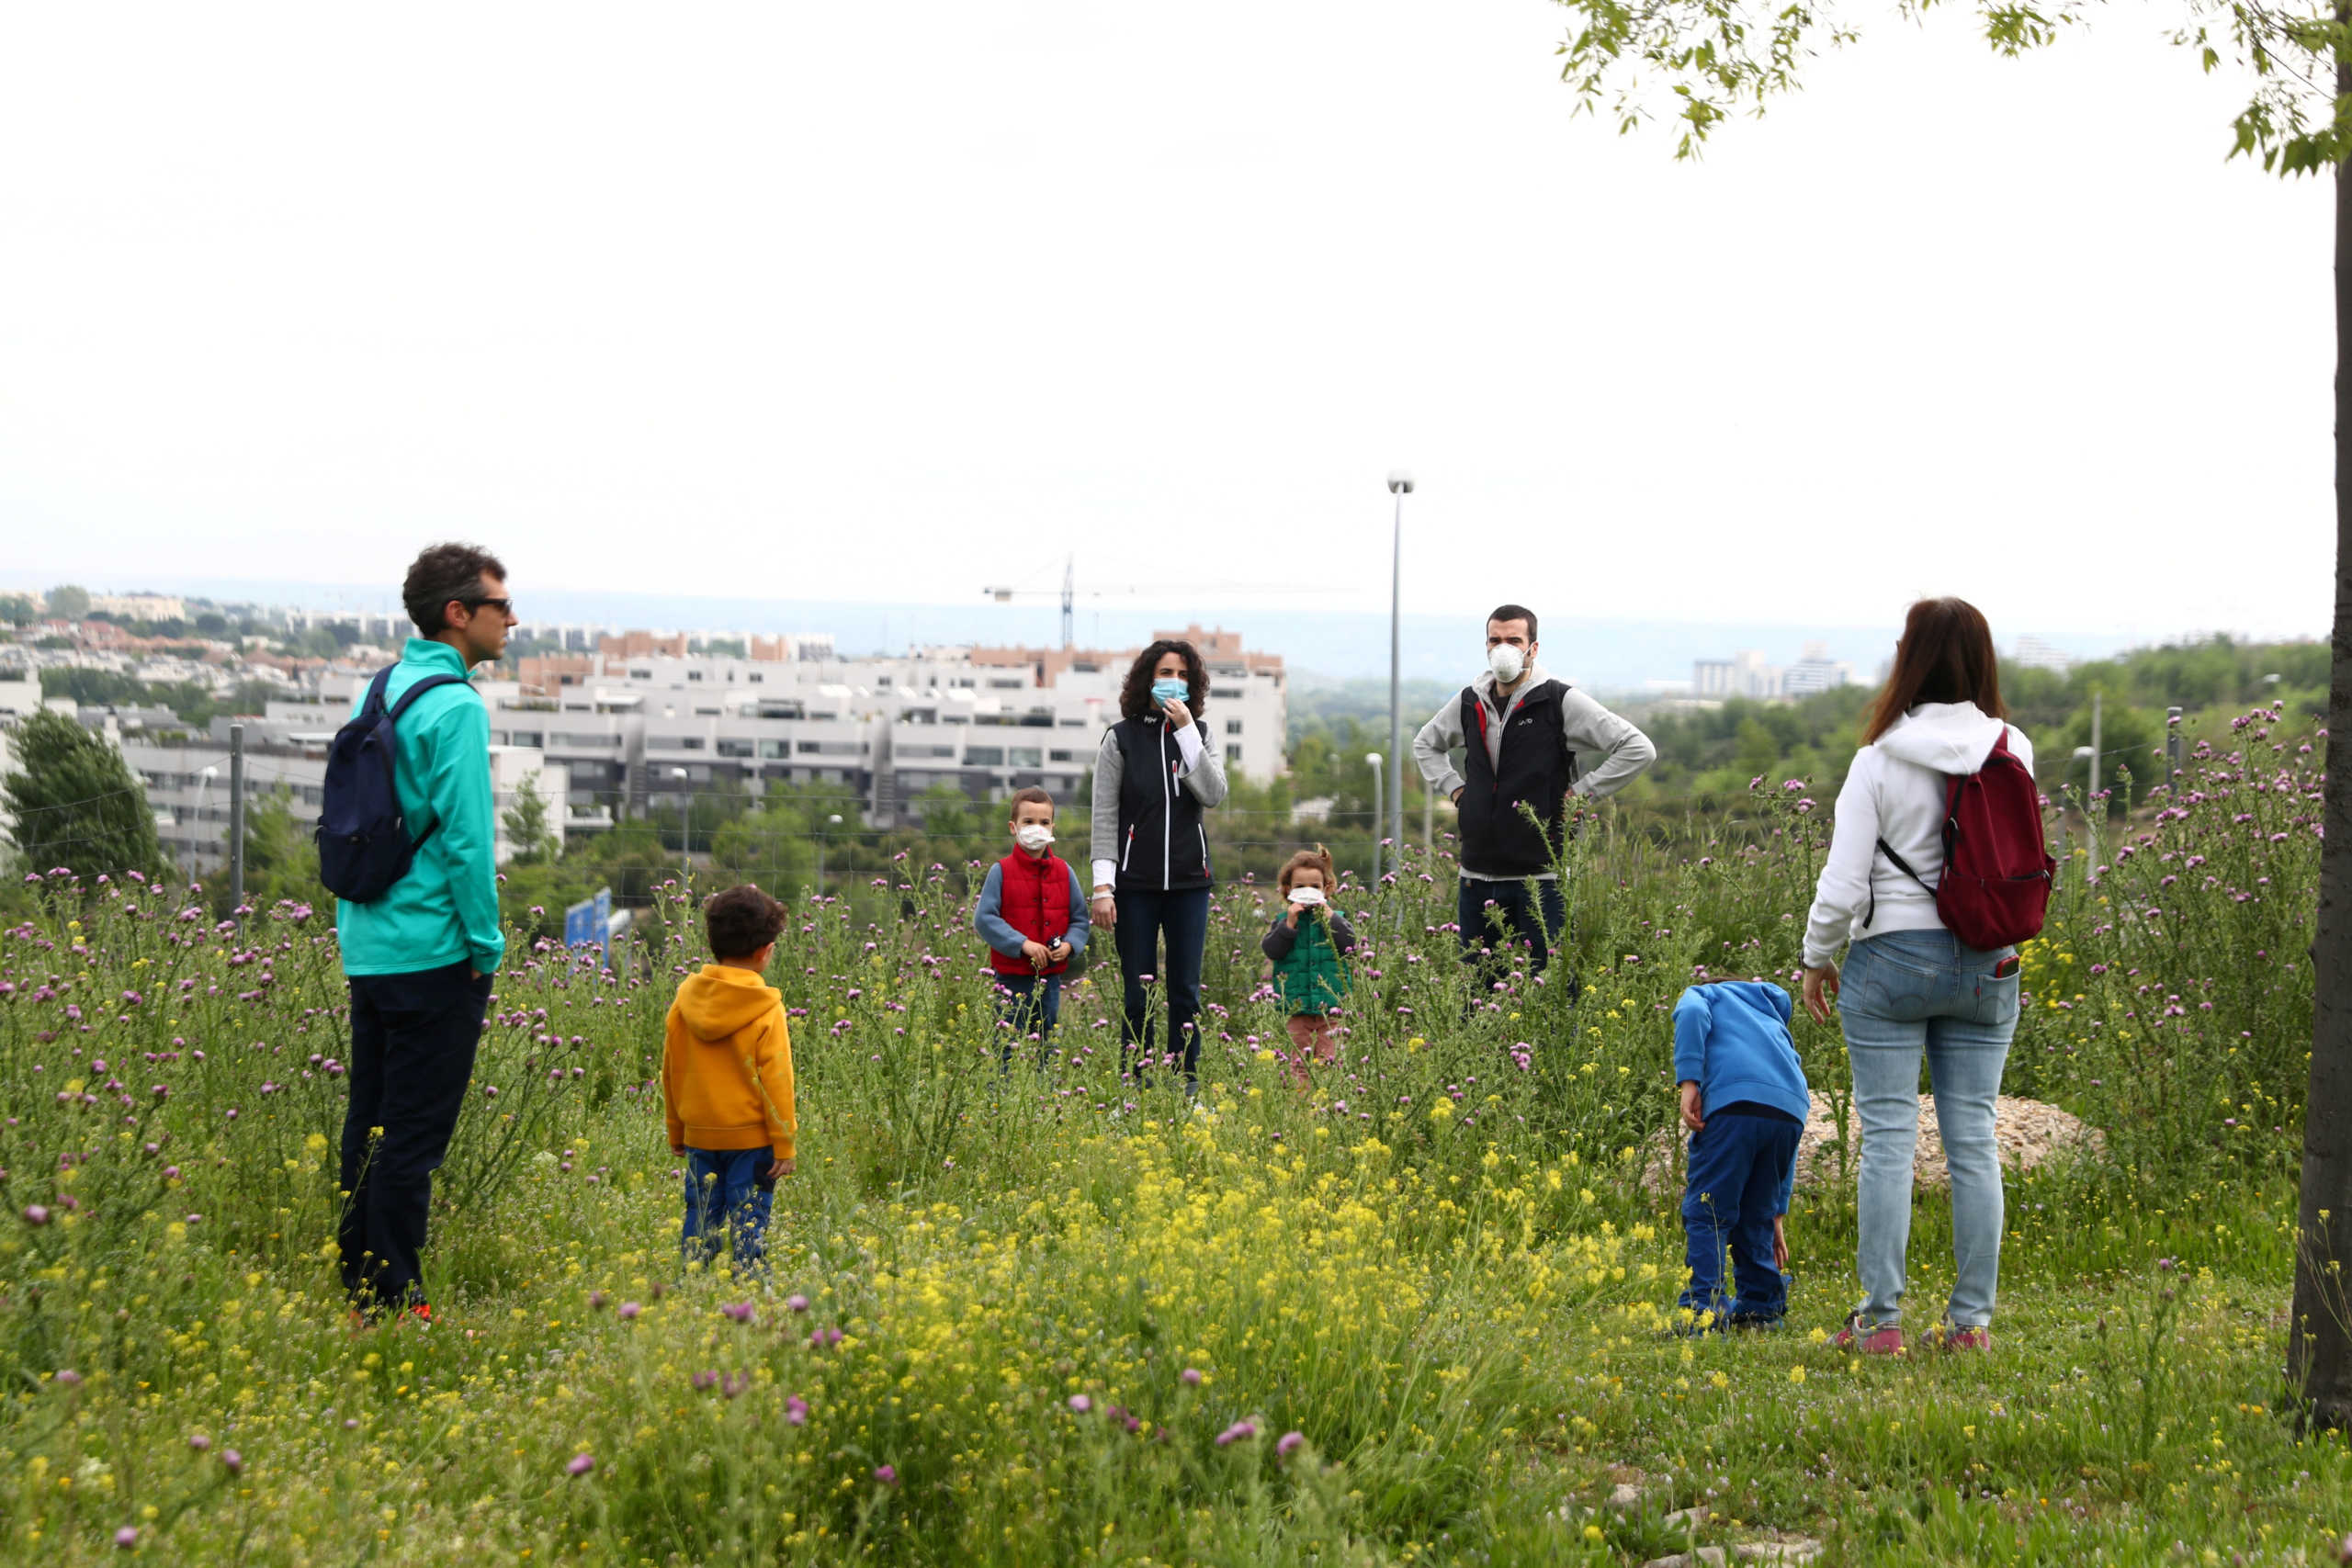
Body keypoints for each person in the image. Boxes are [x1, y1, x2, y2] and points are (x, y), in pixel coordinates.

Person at [1799, 596, 2032, 1354]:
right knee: (1974, 1140)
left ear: (1911, 659)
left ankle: (1879, 1320)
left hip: (1891, 962)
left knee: (1891, 1139)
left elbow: (1842, 887)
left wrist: (1815, 957)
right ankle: (1972, 1325)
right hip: (1986, 962)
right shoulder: (2013, 747)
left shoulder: (1878, 759)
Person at [336, 542, 515, 1323]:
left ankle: (356, 1279)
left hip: (368, 939)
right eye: (499, 605)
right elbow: (470, 845)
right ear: (458, 614)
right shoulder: (456, 706)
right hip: (435, 949)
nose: (512, 619)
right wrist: (487, 948)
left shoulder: (379, 689)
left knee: (368, 1119)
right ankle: (394, 1297)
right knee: (413, 1132)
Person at [1411, 604, 1655, 987]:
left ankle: (1559, 1047)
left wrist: (1581, 794)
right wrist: (1456, 791)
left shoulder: (1558, 701)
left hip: (1543, 874)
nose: (1503, 648)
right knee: (1478, 988)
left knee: (1552, 985)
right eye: (1495, 640)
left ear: (1533, 648)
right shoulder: (1469, 701)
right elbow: (1426, 743)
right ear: (1486, 645)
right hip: (1477, 875)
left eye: (1514, 640)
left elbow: (1637, 748)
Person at [1090, 637, 1228, 1095]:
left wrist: (1188, 732)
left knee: (1185, 992)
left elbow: (1212, 793)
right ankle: (1135, 1085)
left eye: (1184, 675)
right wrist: (1103, 887)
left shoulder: (1202, 734)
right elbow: (1105, 816)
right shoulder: (1121, 738)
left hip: (1190, 882)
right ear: (1148, 677)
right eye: (1166, 673)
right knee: (1138, 992)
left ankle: (1187, 1084)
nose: (1174, 682)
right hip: (1134, 886)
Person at [663, 884, 797, 1274]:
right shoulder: (765, 1007)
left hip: (700, 1136)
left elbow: (671, 1069)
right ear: (765, 951)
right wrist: (784, 1141)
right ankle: (751, 1290)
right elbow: (777, 1080)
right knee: (749, 1221)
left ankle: (692, 1286)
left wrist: (678, 1130)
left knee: (700, 1219)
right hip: (751, 1141)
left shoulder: (684, 1000)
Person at [1671, 980, 1811, 1330]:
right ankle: (1761, 1309)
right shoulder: (1773, 1023)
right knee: (1756, 1214)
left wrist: (1689, 1081)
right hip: (1790, 1110)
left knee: (1709, 1211)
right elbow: (1787, 1157)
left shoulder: (1706, 994)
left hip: (1734, 1106)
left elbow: (1689, 1011)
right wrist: (1777, 1212)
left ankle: (1703, 1310)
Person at [973, 786, 1091, 1063]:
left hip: (1049, 979)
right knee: (1006, 1045)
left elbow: (1079, 918)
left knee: (1045, 1044)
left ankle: (1044, 1098)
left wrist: (1071, 945)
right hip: (1010, 977)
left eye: (1043, 822)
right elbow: (985, 919)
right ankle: (1000, 1098)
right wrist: (1021, 944)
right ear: (1013, 827)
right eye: (1028, 822)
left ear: (1053, 827)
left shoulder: (1064, 871)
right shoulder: (1000, 871)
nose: (1036, 828)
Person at [1261, 846, 1357, 1088]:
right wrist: (1289, 924)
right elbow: (1272, 950)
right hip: (1297, 1006)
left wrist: (1330, 918)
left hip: (1331, 1008)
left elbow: (1351, 945)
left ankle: (1326, 1109)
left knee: (1329, 1063)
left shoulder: (1337, 918)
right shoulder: (1283, 921)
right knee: (1298, 1065)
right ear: (1287, 890)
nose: (1308, 892)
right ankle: (1301, 1110)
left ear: (1327, 888)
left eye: (1315, 887)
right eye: (1300, 887)